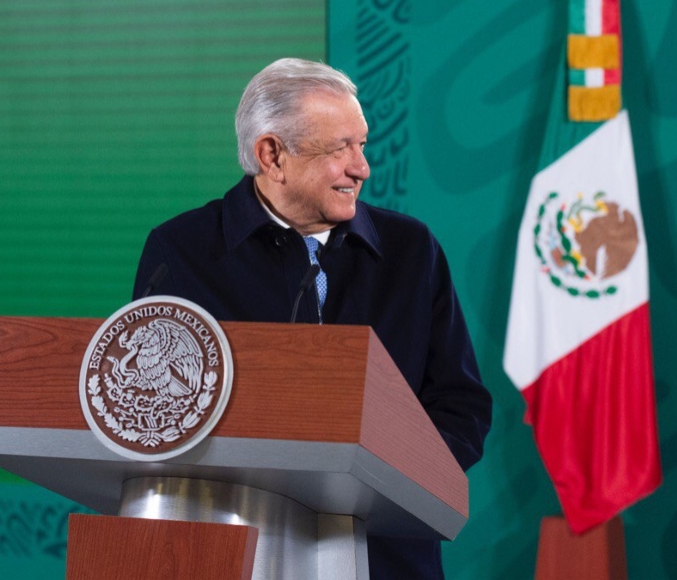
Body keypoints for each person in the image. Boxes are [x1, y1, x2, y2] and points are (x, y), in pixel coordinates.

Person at [132, 57, 492, 579]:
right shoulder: (181, 252)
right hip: (228, 553)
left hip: (385, 557)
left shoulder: (411, 252)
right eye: (338, 149)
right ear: (272, 155)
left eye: (362, 145)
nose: (361, 167)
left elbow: (461, 407)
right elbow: (147, 410)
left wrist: (377, 486)